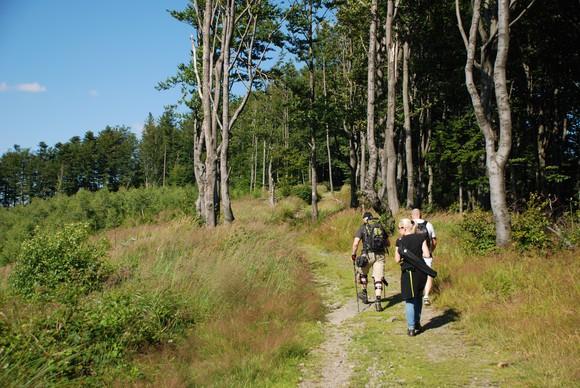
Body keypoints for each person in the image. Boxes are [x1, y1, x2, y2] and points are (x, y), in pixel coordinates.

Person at [395, 218, 431, 336]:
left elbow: (397, 259)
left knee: (410, 299)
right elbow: (426, 254)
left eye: (400, 228)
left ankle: (411, 328)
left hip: (409, 272)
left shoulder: (400, 241)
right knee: (418, 297)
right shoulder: (421, 238)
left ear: (404, 228)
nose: (399, 230)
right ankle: (417, 323)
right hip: (421, 272)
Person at [351, 211, 389, 312]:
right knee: (378, 278)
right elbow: (388, 243)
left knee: (363, 273)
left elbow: (355, 243)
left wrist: (353, 254)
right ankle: (378, 301)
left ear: (365, 219)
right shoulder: (380, 226)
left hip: (367, 255)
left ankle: (364, 293)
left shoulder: (362, 227)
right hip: (380, 255)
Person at [411, 208, 437, 305]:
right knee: (428, 274)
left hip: (413, 255)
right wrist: (431, 250)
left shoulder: (410, 224)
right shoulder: (429, 224)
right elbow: (434, 241)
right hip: (427, 255)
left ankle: (415, 293)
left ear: (412, 215)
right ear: (420, 215)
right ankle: (426, 296)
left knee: (414, 274)